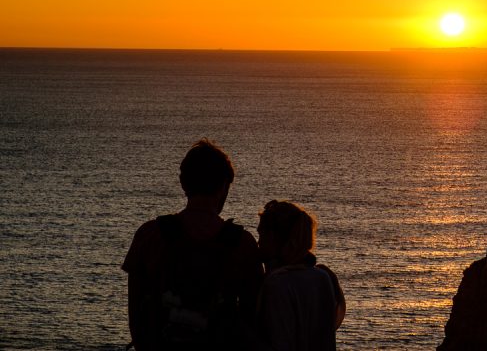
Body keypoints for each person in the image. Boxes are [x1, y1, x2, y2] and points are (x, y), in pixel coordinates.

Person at [122, 138, 263, 351]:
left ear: (183, 183)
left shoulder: (149, 235)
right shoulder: (242, 244)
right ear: (224, 186)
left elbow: (137, 319)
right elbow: (252, 320)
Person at [255, 200, 346, 351]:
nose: (258, 243)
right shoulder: (323, 277)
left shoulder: (276, 284)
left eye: (262, 235)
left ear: (275, 237)